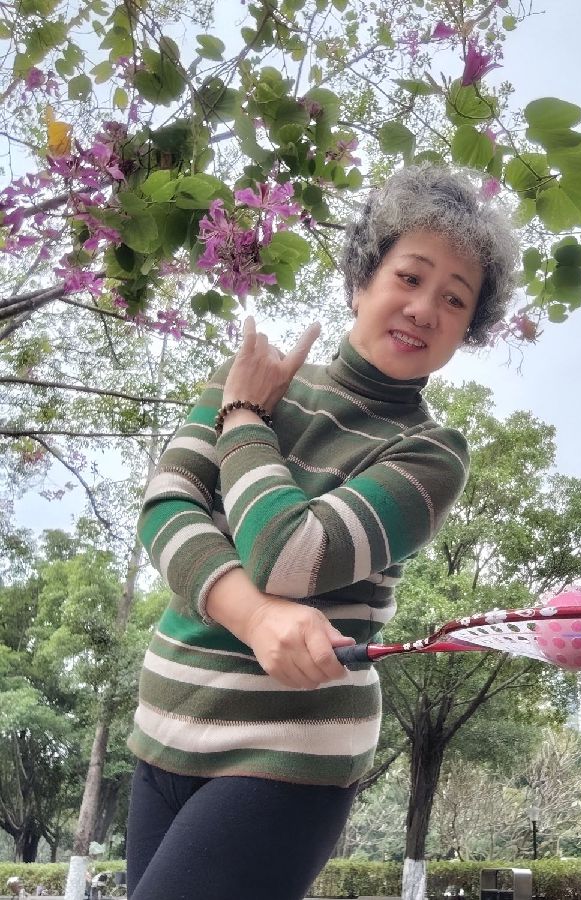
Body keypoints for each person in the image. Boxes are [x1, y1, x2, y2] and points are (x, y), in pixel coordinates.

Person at [125, 164, 518, 900]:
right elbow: (164, 507)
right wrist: (255, 617)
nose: (423, 309)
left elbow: (289, 555)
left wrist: (245, 420)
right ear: (362, 280)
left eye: (454, 299)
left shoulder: (430, 456)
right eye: (409, 277)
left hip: (289, 753)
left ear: (468, 331)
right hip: (163, 730)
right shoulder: (248, 377)